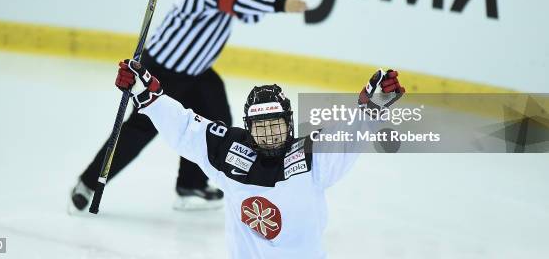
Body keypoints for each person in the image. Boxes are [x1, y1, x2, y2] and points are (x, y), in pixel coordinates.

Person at [70, 0, 308, 212]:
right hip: (164, 69)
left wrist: (264, 2)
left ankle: (191, 185)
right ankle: (88, 183)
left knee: (215, 123)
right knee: (141, 130)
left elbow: (247, 10)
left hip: (196, 71)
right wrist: (281, 3)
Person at [114, 59, 405, 258]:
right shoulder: (227, 151)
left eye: (275, 126)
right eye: (261, 128)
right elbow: (186, 127)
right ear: (248, 128)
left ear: (289, 124)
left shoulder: (310, 156)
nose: (269, 135)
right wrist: (150, 97)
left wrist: (370, 110)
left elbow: (345, 139)